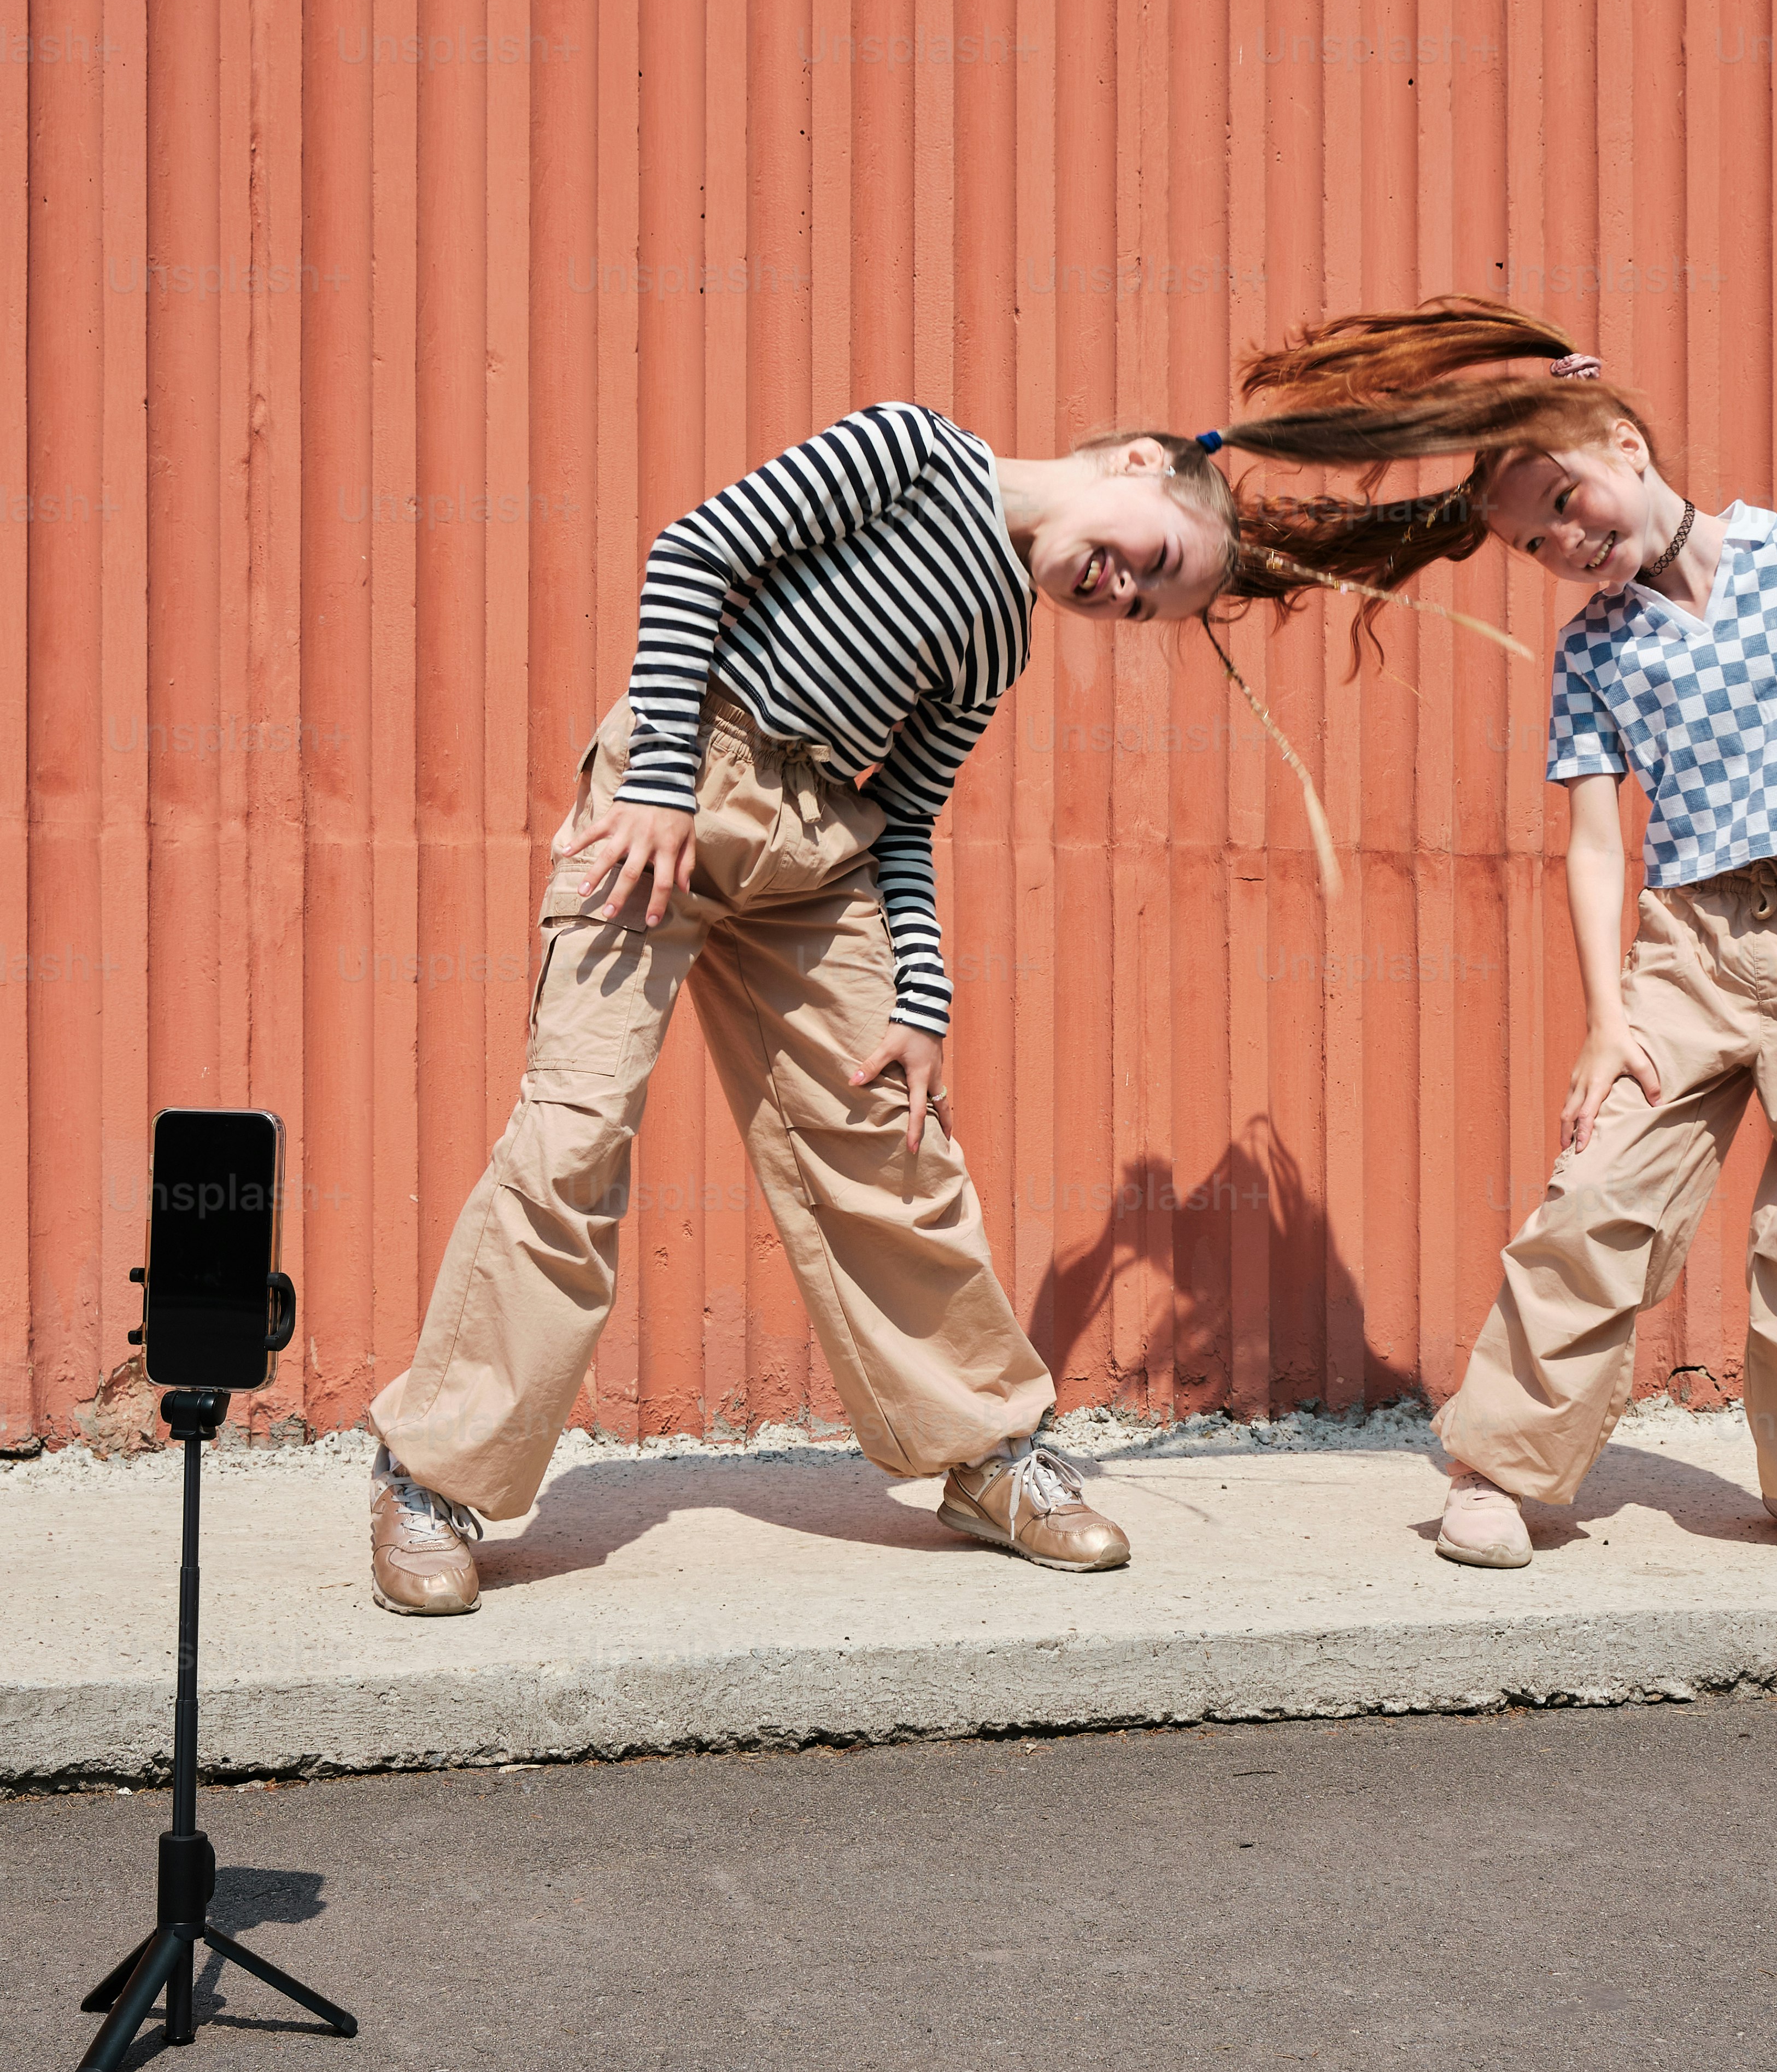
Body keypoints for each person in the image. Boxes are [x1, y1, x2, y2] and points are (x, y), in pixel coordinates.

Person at [366, 390, 1450, 1615]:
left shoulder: (1004, 639)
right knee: (571, 1138)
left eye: (1145, 605)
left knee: (889, 1138)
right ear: (1140, 465)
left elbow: (911, 814)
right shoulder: (913, 450)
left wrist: (922, 995)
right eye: (1148, 560)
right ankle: (431, 1480)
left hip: (815, 856)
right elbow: (693, 554)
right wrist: (665, 772)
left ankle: (986, 1457)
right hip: (668, 801)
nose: (1121, 593)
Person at [1205, 299, 1777, 1571]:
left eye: (1564, 502)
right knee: (1596, 1197)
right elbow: (1597, 839)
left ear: (1623, 439)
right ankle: (1497, 1466)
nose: (1562, 542)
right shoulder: (1594, 647)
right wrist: (1607, 1016)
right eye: (1532, 542)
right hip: (1686, 949)